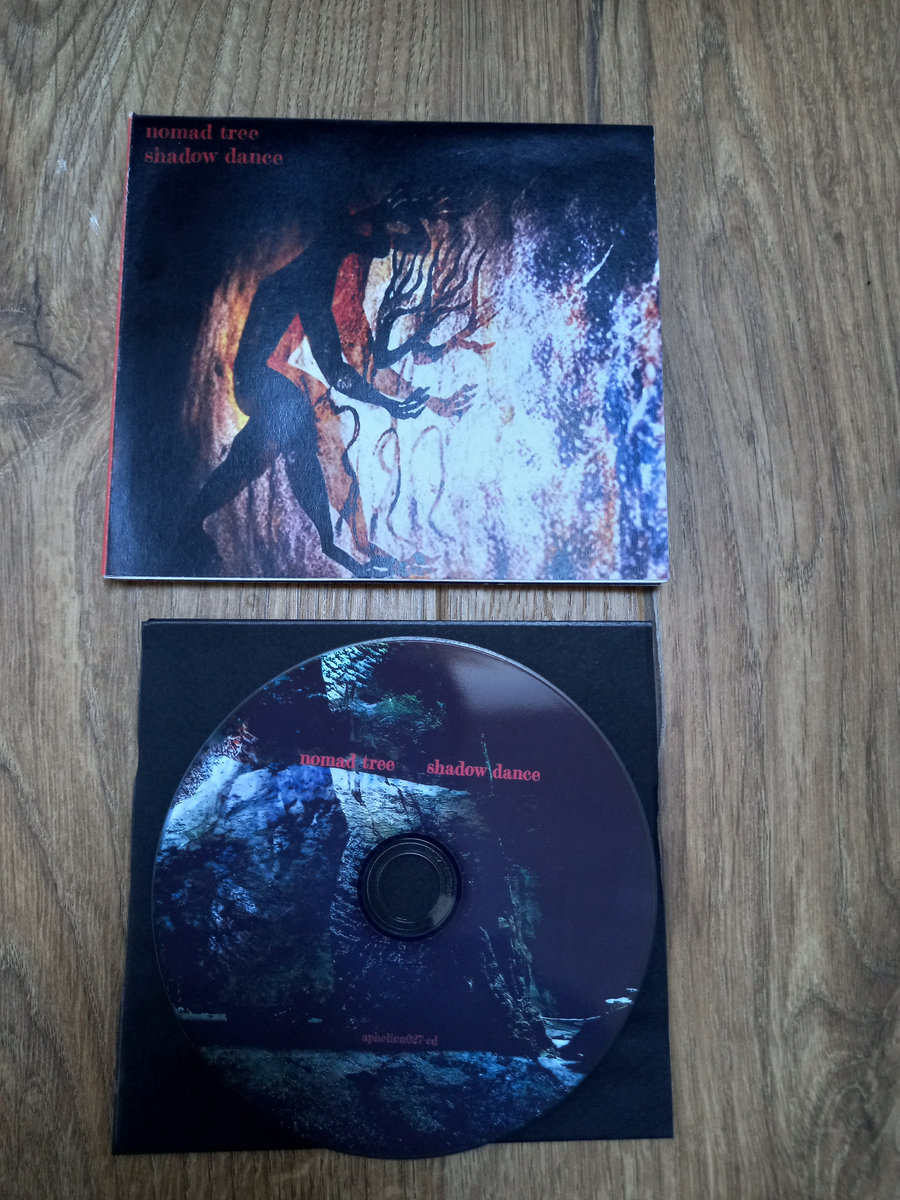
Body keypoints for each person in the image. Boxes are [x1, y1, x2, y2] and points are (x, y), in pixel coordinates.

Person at [175, 199, 470, 578]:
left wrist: (388, 401)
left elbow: (340, 367)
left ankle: (328, 545)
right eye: (382, 236)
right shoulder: (314, 276)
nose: (383, 246)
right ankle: (323, 543)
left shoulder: (322, 264)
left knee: (291, 432)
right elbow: (335, 370)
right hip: (254, 381)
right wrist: (386, 403)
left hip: (257, 381)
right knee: (287, 423)